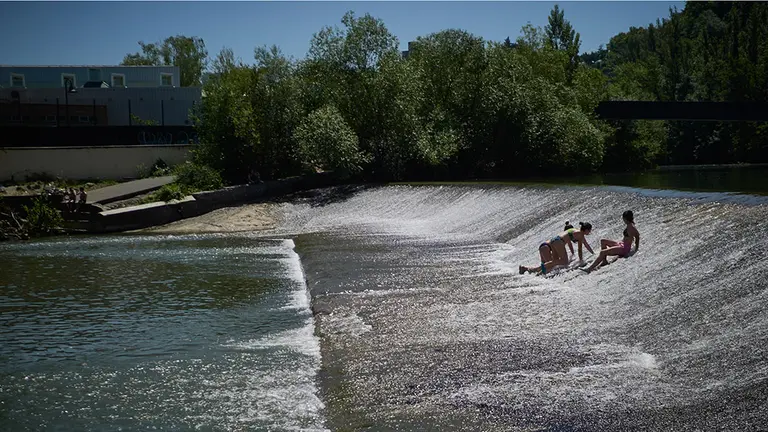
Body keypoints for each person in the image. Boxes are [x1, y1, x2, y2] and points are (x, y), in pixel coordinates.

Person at [520, 222, 595, 275]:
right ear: (586, 230)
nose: (590, 232)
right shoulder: (580, 235)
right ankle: (537, 269)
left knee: (555, 262)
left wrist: (593, 254)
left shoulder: (574, 230)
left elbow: (586, 245)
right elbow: (580, 249)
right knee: (564, 261)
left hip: (554, 240)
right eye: (589, 230)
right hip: (559, 242)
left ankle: (530, 269)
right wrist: (581, 261)